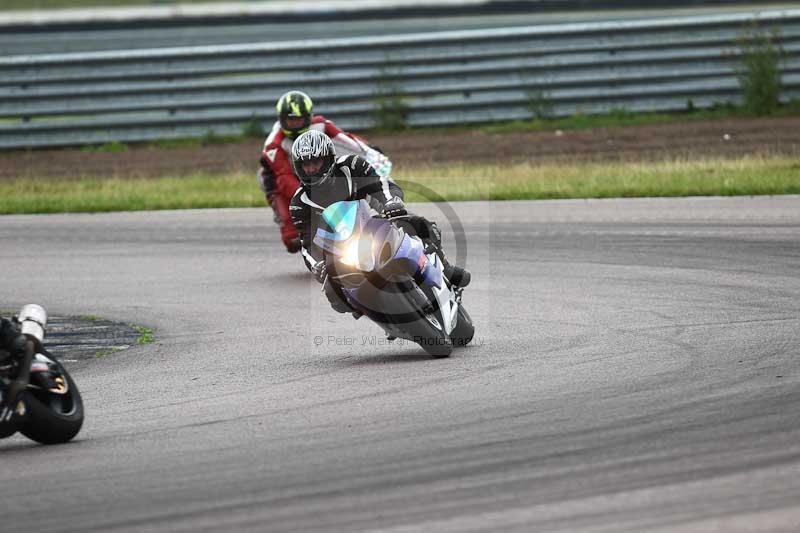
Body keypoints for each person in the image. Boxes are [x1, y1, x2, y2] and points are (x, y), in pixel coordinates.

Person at [288, 130, 470, 316]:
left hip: (377, 219)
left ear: (328, 159)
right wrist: (317, 264)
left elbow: (380, 184)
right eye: (306, 165)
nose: (311, 169)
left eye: (315, 162)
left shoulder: (351, 165)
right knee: (333, 295)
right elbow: (307, 243)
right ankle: (374, 312)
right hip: (343, 247)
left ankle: (445, 269)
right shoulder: (299, 203)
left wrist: (392, 202)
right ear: (297, 167)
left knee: (417, 224)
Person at [257, 90, 389, 254]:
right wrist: (312, 197)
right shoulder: (274, 144)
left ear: (308, 116)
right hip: (278, 180)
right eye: (291, 120)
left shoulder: (321, 124)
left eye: (299, 119)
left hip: (312, 171)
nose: (295, 124)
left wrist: (370, 151)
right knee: (292, 239)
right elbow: (284, 178)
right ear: (282, 120)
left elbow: (346, 139)